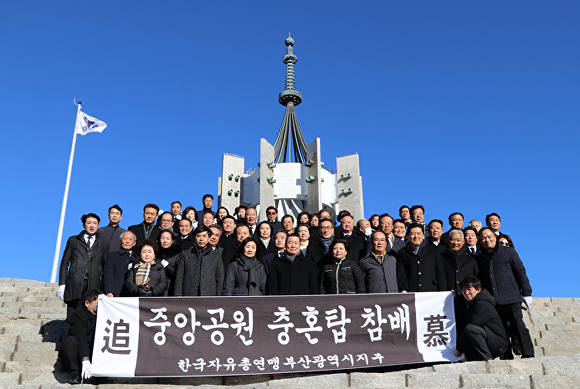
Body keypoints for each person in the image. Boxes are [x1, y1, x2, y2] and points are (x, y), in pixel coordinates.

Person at [477, 227, 534, 359]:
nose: (487, 240)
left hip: (511, 296)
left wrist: (526, 292)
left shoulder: (508, 252)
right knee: (501, 329)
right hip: (494, 300)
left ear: (495, 237)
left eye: (489, 237)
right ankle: (506, 355)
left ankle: (528, 353)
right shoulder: (480, 258)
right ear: (480, 240)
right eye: (483, 238)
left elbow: (520, 271)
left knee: (518, 325)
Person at [58, 213, 108, 327]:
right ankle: (67, 342)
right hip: (74, 283)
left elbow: (105, 266)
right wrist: (62, 284)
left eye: (95, 223)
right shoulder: (73, 240)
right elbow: (65, 262)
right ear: (83, 225)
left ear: (98, 225)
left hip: (93, 285)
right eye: (89, 223)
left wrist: (104, 289)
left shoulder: (103, 244)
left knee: (90, 318)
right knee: (72, 317)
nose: (92, 225)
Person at [455, 276, 508, 361]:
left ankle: (487, 360)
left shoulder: (483, 304)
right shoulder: (471, 305)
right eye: (464, 290)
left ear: (478, 289)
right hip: (487, 338)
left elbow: (472, 326)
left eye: (469, 289)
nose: (466, 292)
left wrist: (459, 349)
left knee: (471, 329)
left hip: (498, 343)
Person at [58, 289, 101, 384]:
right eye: (96, 305)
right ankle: (75, 374)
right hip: (78, 351)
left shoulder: (102, 315)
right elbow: (81, 338)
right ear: (87, 303)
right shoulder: (78, 315)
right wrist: (85, 359)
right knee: (70, 342)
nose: (98, 308)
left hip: (92, 349)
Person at [441, 229, 479, 335]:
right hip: (449, 299)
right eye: (452, 240)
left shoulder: (472, 259)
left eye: (458, 240)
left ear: (463, 241)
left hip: (467, 299)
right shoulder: (441, 257)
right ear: (448, 241)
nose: (455, 243)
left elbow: (477, 278)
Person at [173, 226, 224, 296]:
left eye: (204, 236)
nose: (201, 239)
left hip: (209, 294)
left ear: (209, 238)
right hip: (189, 294)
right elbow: (179, 278)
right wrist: (178, 296)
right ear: (194, 238)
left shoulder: (216, 256)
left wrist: (218, 297)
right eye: (198, 236)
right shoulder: (185, 254)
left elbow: (219, 278)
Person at [397, 223, 446, 292]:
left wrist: (443, 291)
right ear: (407, 236)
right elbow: (401, 273)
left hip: (431, 290)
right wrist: (403, 289)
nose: (416, 236)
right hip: (412, 292)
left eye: (419, 233)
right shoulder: (402, 252)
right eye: (413, 233)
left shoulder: (433, 250)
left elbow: (440, 273)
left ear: (423, 236)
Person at [103, 231, 137, 297]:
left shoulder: (137, 258)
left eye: (130, 239)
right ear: (120, 241)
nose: (127, 241)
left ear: (134, 243)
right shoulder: (112, 256)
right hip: (116, 293)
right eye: (125, 239)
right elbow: (108, 275)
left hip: (133, 295)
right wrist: (109, 291)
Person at [156, 229, 181, 296]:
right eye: (162, 238)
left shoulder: (178, 255)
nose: (165, 241)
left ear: (172, 240)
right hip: (157, 288)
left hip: (171, 288)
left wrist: (167, 266)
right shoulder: (154, 254)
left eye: (168, 238)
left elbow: (178, 274)